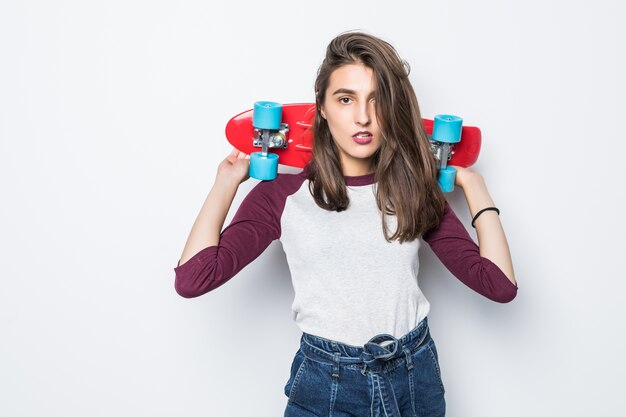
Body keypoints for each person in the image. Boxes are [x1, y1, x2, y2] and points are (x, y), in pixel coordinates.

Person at [173, 31, 518, 417]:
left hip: (413, 378)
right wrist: (225, 185)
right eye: (345, 99)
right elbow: (193, 279)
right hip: (326, 384)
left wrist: (475, 187)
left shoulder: (414, 191)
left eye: (377, 100)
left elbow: (499, 285)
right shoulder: (282, 197)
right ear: (321, 107)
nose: (363, 117)